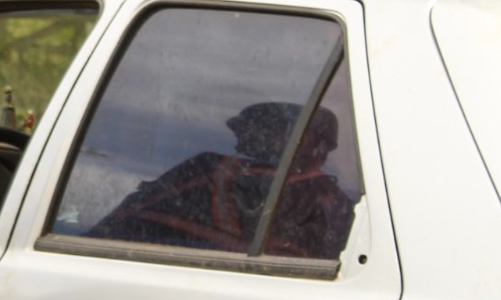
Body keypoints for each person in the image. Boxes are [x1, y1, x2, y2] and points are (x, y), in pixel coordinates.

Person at [89, 102, 355, 259]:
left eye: (257, 129)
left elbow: (110, 230)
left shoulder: (211, 169)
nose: (235, 131)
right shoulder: (339, 202)